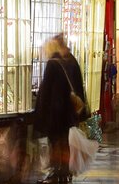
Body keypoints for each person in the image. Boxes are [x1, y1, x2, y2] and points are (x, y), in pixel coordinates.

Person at [34, 34, 88, 184]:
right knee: (63, 141)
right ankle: (64, 170)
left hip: (55, 113)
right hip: (67, 113)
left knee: (55, 142)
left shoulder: (52, 64)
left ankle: (56, 171)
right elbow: (77, 86)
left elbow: (46, 92)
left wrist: (41, 115)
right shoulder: (71, 61)